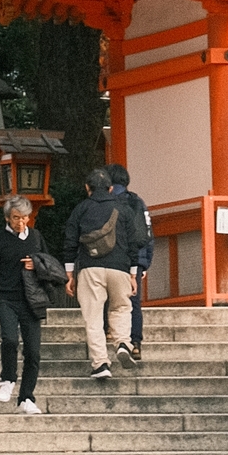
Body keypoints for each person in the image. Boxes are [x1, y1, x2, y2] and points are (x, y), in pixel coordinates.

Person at [0, 195, 64, 415]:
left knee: (33, 353)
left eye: (25, 217)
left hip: (32, 300)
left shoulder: (36, 237)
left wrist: (36, 264)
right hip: (6, 298)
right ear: (7, 217)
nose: (21, 222)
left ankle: (26, 398)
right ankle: (8, 378)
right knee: (10, 339)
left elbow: (49, 264)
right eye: (16, 217)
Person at [61, 165, 138, 380]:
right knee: (121, 307)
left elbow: (70, 242)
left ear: (88, 188)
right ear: (111, 188)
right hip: (120, 268)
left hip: (90, 268)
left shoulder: (81, 209)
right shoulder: (124, 210)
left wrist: (69, 274)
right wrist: (133, 274)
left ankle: (101, 364)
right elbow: (133, 243)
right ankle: (122, 343)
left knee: (93, 317)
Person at [107, 161, 154, 359]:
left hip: (111, 258)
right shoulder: (138, 202)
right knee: (134, 301)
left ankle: (109, 333)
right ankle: (135, 343)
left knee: (109, 297)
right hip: (136, 259)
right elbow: (148, 233)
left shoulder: (105, 202)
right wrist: (144, 262)